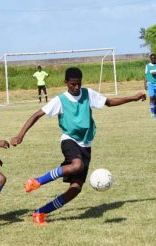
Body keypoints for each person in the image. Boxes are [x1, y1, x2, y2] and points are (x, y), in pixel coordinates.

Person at [11, 67, 146, 225]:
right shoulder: (60, 100)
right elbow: (36, 115)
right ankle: (36, 181)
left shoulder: (88, 94)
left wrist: (133, 98)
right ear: (66, 83)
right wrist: (20, 135)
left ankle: (41, 212)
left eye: (78, 84)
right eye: (72, 84)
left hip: (86, 144)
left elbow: (109, 102)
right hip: (69, 139)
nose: (76, 88)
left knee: (75, 189)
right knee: (77, 165)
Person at [144, 53, 156, 118]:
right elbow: (146, 76)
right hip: (150, 83)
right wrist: (145, 84)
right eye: (152, 58)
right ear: (150, 59)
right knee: (152, 97)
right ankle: (152, 113)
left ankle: (155, 112)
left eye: (154, 58)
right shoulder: (147, 66)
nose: (153, 59)